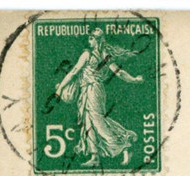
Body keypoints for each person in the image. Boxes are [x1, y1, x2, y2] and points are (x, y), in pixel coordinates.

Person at [55, 28, 144, 168]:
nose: (89, 40)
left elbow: (74, 72)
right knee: (88, 122)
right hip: (90, 90)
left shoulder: (88, 54)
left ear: (97, 40)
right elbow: (119, 73)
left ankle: (124, 145)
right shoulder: (105, 55)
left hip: (93, 90)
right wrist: (133, 79)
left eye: (91, 38)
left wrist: (60, 89)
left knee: (97, 121)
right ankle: (94, 155)